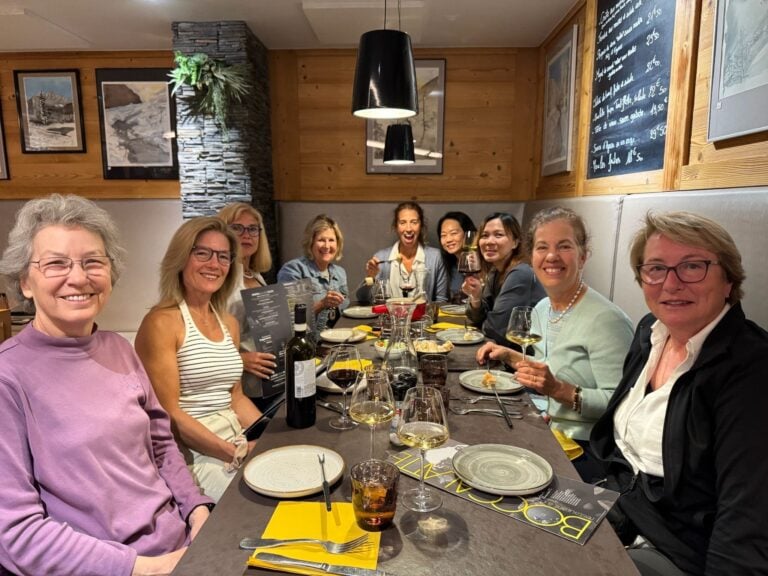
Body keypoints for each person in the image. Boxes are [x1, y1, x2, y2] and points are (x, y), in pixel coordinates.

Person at [0, 194, 211, 576]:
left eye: (93, 261)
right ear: (25, 283)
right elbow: (17, 534)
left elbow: (161, 445)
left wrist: (196, 508)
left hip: (182, 546)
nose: (79, 277)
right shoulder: (7, 377)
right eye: (56, 263)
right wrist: (150, 568)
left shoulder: (118, 348)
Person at [590, 212, 768, 576]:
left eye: (692, 266)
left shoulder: (752, 368)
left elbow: (746, 519)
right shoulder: (650, 332)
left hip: (679, 550)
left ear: (729, 280)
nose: (671, 283)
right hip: (617, 509)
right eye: (656, 268)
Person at [477, 206, 633, 481]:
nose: (551, 256)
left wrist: (559, 391)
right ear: (532, 256)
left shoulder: (606, 320)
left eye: (564, 246)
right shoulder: (542, 308)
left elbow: (622, 405)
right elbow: (549, 367)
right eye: (542, 247)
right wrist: (509, 355)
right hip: (549, 429)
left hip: (590, 449)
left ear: (583, 256)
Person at [135, 217, 262, 503]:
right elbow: (168, 414)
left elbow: (236, 398)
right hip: (194, 453)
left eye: (223, 256)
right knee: (254, 506)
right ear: (181, 258)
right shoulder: (161, 322)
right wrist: (233, 452)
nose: (214, 264)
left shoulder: (228, 323)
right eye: (202, 253)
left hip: (236, 438)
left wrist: (270, 438)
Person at [217, 202, 277, 410]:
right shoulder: (220, 280)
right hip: (240, 387)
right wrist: (240, 359)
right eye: (237, 228)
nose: (247, 235)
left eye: (253, 229)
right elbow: (208, 336)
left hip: (267, 379)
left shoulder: (255, 275)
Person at [463, 212, 546, 345]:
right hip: (506, 347)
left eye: (498, 235)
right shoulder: (495, 271)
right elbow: (476, 318)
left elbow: (495, 329)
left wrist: (484, 320)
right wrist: (476, 298)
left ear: (515, 242)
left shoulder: (520, 273)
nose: (489, 241)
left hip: (527, 351)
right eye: (485, 236)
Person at [357, 201, 448, 303]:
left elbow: (441, 300)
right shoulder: (381, 258)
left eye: (414, 222)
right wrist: (370, 277)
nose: (408, 228)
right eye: (402, 223)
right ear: (396, 227)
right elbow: (363, 299)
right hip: (390, 313)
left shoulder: (435, 257)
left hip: (424, 313)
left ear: (421, 226)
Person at [277, 214, 349, 334]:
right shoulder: (293, 270)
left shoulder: (340, 272)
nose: (327, 246)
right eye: (321, 240)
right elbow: (289, 319)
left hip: (337, 338)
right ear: (310, 242)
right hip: (310, 342)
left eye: (331, 240)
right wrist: (322, 304)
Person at [437, 211, 477, 303]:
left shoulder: (479, 261)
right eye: (443, 235)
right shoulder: (449, 264)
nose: (448, 239)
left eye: (454, 233)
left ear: (467, 233)